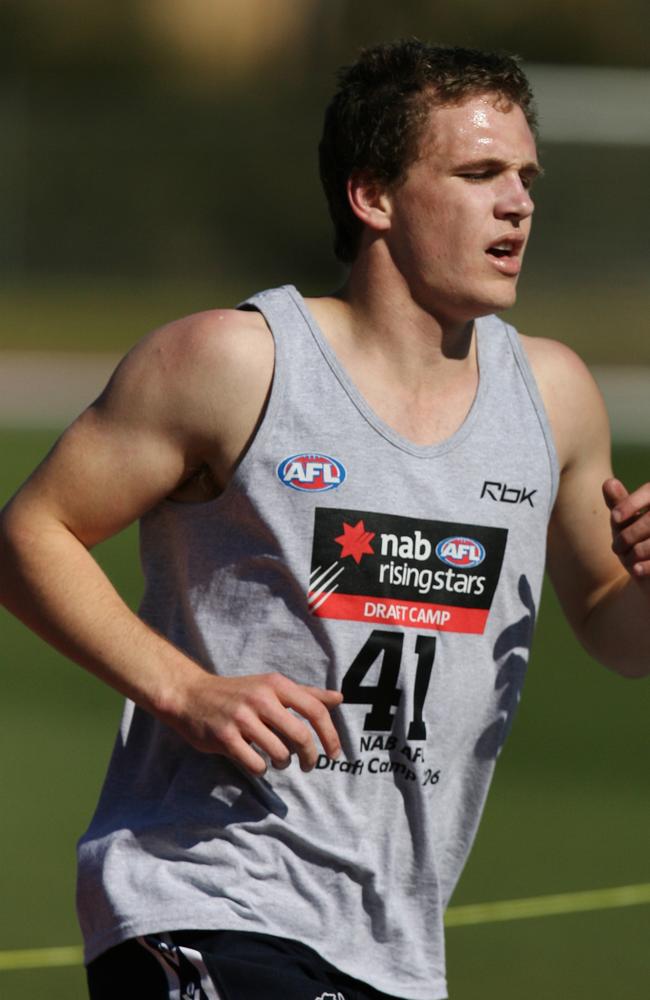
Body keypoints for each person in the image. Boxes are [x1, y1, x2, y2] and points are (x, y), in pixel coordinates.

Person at [1, 39, 648, 1000]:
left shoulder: (553, 395)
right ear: (373, 196)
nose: (519, 202)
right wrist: (184, 691)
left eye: (524, 175)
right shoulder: (236, 362)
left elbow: (615, 628)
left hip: (394, 943)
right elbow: (29, 536)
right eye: (479, 173)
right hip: (207, 895)